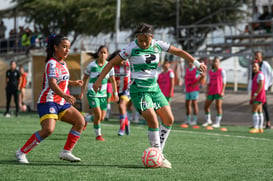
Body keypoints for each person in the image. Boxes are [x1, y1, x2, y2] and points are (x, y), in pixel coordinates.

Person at [92, 23, 207, 168]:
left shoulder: (158, 45)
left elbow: (179, 52)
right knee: (153, 120)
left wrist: (196, 63)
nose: (143, 43)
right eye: (140, 40)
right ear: (136, 39)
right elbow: (110, 64)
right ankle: (159, 154)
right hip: (139, 90)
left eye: (146, 40)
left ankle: (158, 153)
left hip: (154, 89)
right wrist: (98, 80)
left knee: (169, 119)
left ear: (151, 37)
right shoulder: (131, 48)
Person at [15, 34, 85, 164]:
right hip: (48, 101)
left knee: (80, 121)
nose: (67, 50)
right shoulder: (51, 63)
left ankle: (66, 152)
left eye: (68, 47)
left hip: (61, 102)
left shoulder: (63, 63)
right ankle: (21, 152)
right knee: (48, 130)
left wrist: (73, 82)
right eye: (64, 47)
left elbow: (61, 79)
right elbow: (52, 83)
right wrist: (65, 95)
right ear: (55, 47)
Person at [79, 45, 119, 141]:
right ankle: (98, 135)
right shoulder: (91, 65)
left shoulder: (110, 66)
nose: (103, 54)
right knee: (98, 115)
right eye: (101, 52)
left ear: (107, 54)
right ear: (98, 54)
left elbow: (113, 81)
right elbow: (84, 79)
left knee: (101, 117)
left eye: (105, 53)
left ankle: (85, 119)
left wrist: (115, 93)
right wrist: (82, 92)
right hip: (92, 93)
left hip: (103, 95)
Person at [248, 51, 273, 129]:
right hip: (255, 88)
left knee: (261, 106)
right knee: (259, 107)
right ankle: (259, 124)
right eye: (255, 55)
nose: (256, 57)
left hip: (262, 88)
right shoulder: (253, 65)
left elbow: (271, 74)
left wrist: (268, 85)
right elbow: (251, 78)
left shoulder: (265, 64)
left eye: (258, 56)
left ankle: (266, 123)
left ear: (261, 56)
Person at [110, 50, 131, 136]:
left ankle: (121, 128)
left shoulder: (128, 64)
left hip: (127, 90)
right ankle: (126, 123)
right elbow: (110, 78)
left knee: (122, 106)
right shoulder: (113, 66)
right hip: (117, 91)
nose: (122, 61)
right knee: (121, 109)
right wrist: (114, 81)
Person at [202, 57, 226, 128]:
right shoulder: (210, 72)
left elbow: (224, 82)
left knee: (218, 106)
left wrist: (222, 91)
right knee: (206, 106)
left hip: (218, 91)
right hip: (211, 91)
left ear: (219, 63)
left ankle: (217, 122)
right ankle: (208, 120)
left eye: (217, 61)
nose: (215, 63)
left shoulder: (222, 71)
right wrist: (207, 91)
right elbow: (208, 83)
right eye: (214, 61)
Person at [180, 61, 204, 128]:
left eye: (191, 62)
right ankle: (188, 120)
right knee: (187, 104)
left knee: (194, 103)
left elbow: (203, 76)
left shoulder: (196, 70)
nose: (190, 63)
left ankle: (194, 120)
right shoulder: (187, 69)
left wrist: (196, 83)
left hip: (194, 89)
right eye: (189, 62)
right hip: (188, 89)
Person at [249, 60, 266, 133]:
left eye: (255, 66)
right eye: (253, 67)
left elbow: (261, 85)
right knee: (259, 111)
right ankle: (260, 127)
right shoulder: (256, 75)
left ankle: (256, 127)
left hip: (258, 95)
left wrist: (255, 95)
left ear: (259, 67)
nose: (254, 68)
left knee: (254, 110)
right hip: (259, 95)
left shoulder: (260, 75)